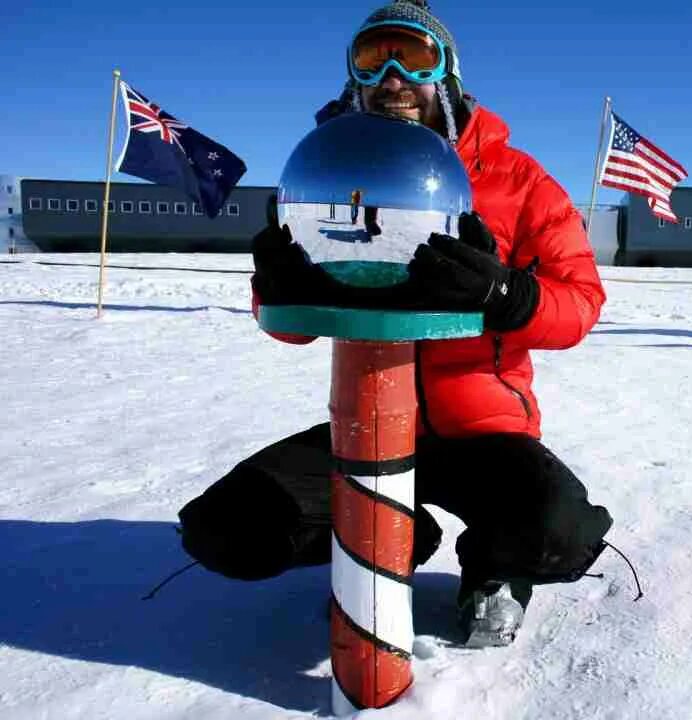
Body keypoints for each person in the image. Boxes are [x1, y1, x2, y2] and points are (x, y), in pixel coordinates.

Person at [183, 0, 614, 648]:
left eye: (412, 56)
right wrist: (279, 291)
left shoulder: (519, 182)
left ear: (448, 74)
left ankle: (492, 569)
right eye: (371, 58)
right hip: (370, 414)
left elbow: (579, 302)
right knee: (228, 529)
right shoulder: (326, 172)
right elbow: (293, 327)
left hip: (483, 428)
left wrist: (506, 293)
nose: (391, 76)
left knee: (561, 533)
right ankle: (394, 535)